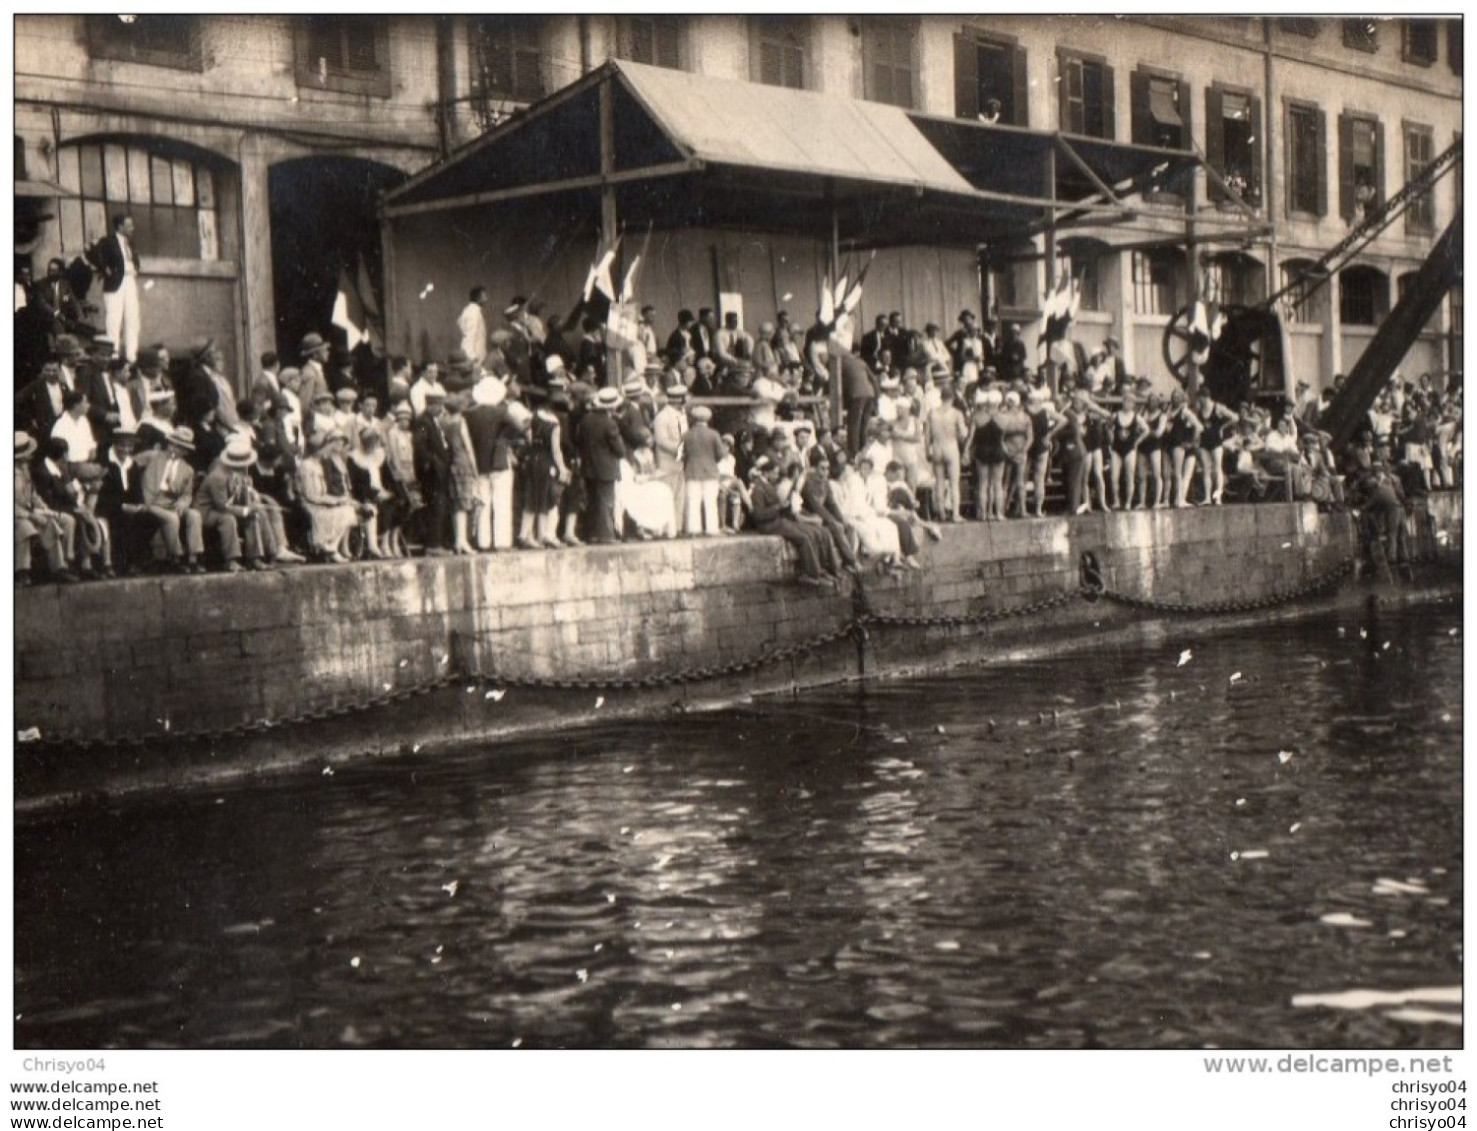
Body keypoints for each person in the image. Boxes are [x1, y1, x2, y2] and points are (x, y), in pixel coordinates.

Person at [747, 455, 841, 586]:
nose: (776, 476)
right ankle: (811, 574)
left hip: (778, 521)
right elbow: (758, 516)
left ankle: (820, 570)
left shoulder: (768, 485)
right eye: (774, 473)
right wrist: (779, 507)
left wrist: (786, 505)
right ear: (766, 473)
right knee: (803, 538)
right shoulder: (758, 489)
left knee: (811, 533)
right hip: (769, 525)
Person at [195, 435, 273, 572]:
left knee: (253, 516)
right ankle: (231, 560)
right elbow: (223, 506)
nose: (246, 467)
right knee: (228, 519)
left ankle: (254, 558)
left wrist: (250, 498)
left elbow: (240, 500)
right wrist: (246, 510)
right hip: (207, 511)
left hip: (223, 509)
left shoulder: (239, 475)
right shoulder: (218, 477)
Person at [139, 424, 206, 573]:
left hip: (171, 501)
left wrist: (183, 501)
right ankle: (175, 557)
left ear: (186, 451)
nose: (175, 449)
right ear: (169, 443)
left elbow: (187, 493)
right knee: (172, 518)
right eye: (174, 444)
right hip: (151, 500)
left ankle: (193, 558)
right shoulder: (152, 456)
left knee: (194, 515)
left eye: (181, 447)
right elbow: (129, 464)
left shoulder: (187, 469)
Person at [577, 386, 627, 544]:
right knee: (606, 501)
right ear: (611, 406)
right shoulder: (610, 423)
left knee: (593, 501)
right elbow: (620, 450)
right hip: (606, 467)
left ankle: (592, 534)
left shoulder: (585, 420)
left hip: (588, 465)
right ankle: (606, 535)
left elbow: (579, 440)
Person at [90, 214, 142, 362]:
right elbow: (91, 252)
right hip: (115, 284)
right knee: (114, 319)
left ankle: (131, 356)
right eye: (129, 225)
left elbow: (135, 259)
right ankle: (113, 355)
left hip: (130, 281)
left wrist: (136, 268)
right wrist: (105, 269)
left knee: (132, 319)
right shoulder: (108, 241)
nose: (132, 228)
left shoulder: (130, 242)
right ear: (120, 227)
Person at [457, 286, 489, 365]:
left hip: (477, 353)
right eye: (484, 296)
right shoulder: (473, 312)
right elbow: (470, 334)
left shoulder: (470, 310)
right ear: (478, 298)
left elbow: (460, 322)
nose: (487, 299)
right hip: (474, 356)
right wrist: (472, 356)